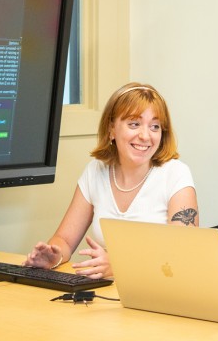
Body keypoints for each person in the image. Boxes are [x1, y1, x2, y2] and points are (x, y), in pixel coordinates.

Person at [23, 82, 198, 279]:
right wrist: (53, 257)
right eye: (134, 124)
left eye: (155, 126)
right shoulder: (95, 171)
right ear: (111, 129)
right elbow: (64, 239)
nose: (145, 136)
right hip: (104, 294)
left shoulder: (175, 174)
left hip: (158, 294)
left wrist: (118, 266)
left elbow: (183, 255)